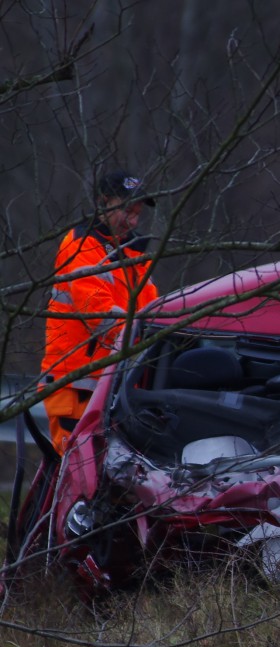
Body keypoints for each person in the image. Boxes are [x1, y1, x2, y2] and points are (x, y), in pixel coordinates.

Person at [40, 169, 158, 454]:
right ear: (103, 202)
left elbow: (154, 310)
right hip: (79, 384)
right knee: (77, 470)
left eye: (137, 212)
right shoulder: (81, 245)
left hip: (114, 385)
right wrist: (150, 340)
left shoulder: (134, 253)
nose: (132, 220)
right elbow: (99, 315)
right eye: (126, 210)